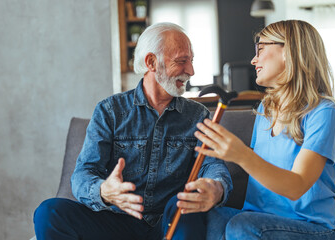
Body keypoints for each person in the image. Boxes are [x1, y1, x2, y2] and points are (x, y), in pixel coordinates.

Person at [33, 22, 232, 240]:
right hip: (116, 222)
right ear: (151, 62)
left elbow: (213, 165)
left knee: (183, 202)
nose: (191, 71)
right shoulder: (109, 111)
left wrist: (217, 188)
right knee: (48, 212)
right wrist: (104, 191)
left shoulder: (198, 115)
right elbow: (83, 174)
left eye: (191, 61)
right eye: (181, 61)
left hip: (169, 223)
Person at [195, 20, 335, 240]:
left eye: (261, 49)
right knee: (199, 214)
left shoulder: (324, 112)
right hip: (259, 221)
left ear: (289, 51)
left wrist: (241, 154)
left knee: (242, 226)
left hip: (313, 229)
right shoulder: (266, 108)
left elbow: (297, 186)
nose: (253, 59)